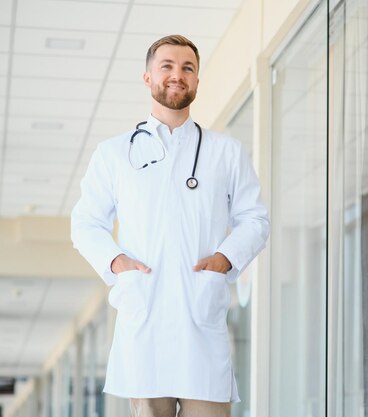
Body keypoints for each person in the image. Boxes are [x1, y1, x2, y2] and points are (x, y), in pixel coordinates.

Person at [71, 34, 270, 417]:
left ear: (196, 81)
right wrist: (117, 264)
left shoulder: (225, 152)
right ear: (148, 78)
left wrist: (225, 259)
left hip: (201, 323)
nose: (177, 75)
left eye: (188, 68)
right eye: (167, 66)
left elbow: (255, 219)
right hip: (145, 321)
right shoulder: (114, 153)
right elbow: (85, 222)